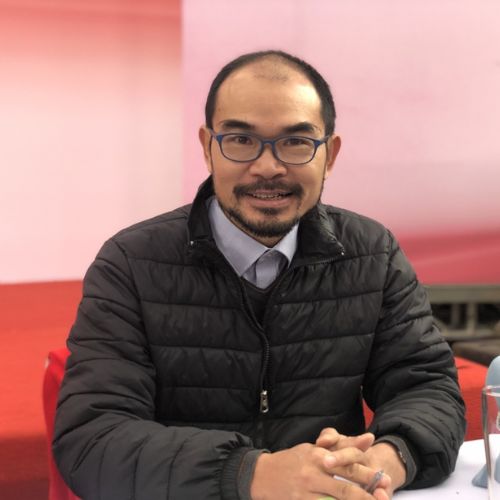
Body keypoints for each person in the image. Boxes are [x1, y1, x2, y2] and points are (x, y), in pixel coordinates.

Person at [53, 50, 466, 500]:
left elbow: (428, 387)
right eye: (241, 140)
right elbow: (93, 437)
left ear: (329, 155)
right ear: (208, 148)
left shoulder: (372, 254)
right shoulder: (131, 263)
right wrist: (252, 475)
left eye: (296, 142)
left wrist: (384, 461)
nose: (268, 167)